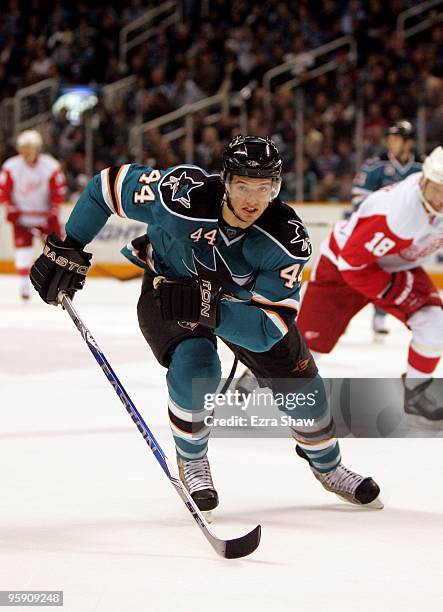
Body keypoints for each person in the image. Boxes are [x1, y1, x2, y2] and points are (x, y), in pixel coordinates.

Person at [30, 135, 382, 512]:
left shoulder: (284, 238)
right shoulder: (179, 196)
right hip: (170, 288)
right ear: (225, 180)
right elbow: (106, 188)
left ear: (277, 187)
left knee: (305, 394)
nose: (252, 199)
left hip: (245, 311)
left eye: (264, 188)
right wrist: (70, 246)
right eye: (243, 185)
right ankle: (193, 459)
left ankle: (329, 467)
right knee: (196, 365)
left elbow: (267, 330)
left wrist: (209, 309)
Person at [297, 146, 443, 422]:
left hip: (395, 264)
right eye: (437, 188)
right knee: (308, 347)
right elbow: (353, 263)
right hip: (343, 267)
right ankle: (252, 384)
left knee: (435, 324)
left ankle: (416, 391)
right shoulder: (397, 214)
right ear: (424, 179)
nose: (441, 198)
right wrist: (394, 291)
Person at [352, 120, 422, 337]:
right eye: (390, 139)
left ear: (408, 143)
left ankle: (381, 315)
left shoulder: (422, 167)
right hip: (379, 231)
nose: (391, 143)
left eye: (396, 139)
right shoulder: (376, 165)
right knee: (362, 272)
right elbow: (358, 198)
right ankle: (344, 314)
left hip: (410, 232)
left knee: (393, 274)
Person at [0, 130, 66, 300]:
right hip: (22, 217)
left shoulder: (50, 166)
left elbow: (58, 191)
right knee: (22, 252)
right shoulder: (11, 166)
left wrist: (53, 210)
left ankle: (59, 284)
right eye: (21, 148)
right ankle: (24, 287)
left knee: (55, 252)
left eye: (26, 148)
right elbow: (4, 191)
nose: (22, 152)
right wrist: (10, 208)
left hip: (45, 218)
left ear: (36, 148)